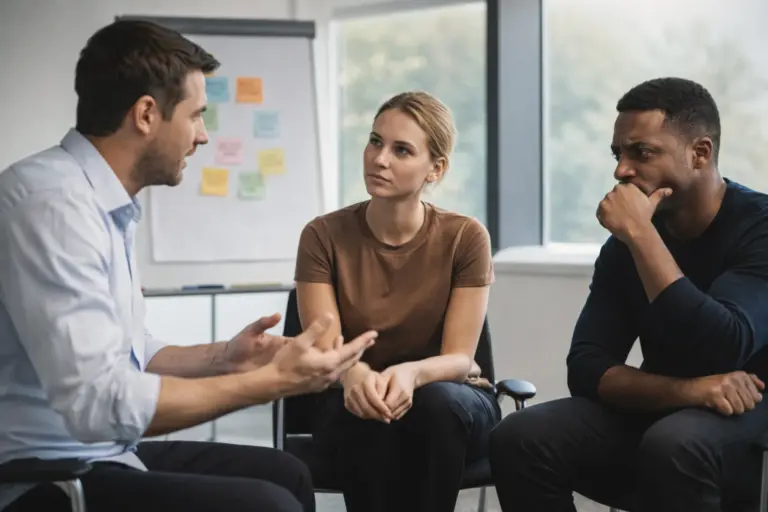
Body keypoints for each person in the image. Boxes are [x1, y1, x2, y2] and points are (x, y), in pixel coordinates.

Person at [0, 19, 378, 512]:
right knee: (268, 505)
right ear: (146, 114)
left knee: (288, 473)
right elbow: (98, 403)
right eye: (196, 115)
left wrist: (229, 357)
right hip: (44, 475)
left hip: (103, 454)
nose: (202, 136)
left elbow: (130, 352)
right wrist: (269, 383)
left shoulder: (99, 201)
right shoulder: (52, 205)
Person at [489, 76, 768, 512]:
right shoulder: (624, 245)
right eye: (618, 154)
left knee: (673, 442)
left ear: (700, 153)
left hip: (749, 408)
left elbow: (724, 346)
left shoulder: (758, 227)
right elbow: (587, 367)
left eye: (642, 153)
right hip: (673, 402)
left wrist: (641, 236)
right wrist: (691, 391)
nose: (621, 170)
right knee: (520, 435)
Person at [293, 90, 501, 512]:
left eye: (401, 150)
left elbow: (460, 359)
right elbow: (328, 351)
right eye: (375, 141)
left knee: (436, 404)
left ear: (435, 169)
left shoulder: (465, 237)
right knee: (366, 409)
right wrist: (358, 376)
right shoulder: (322, 235)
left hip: (451, 398)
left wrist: (411, 373)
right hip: (352, 393)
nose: (379, 159)